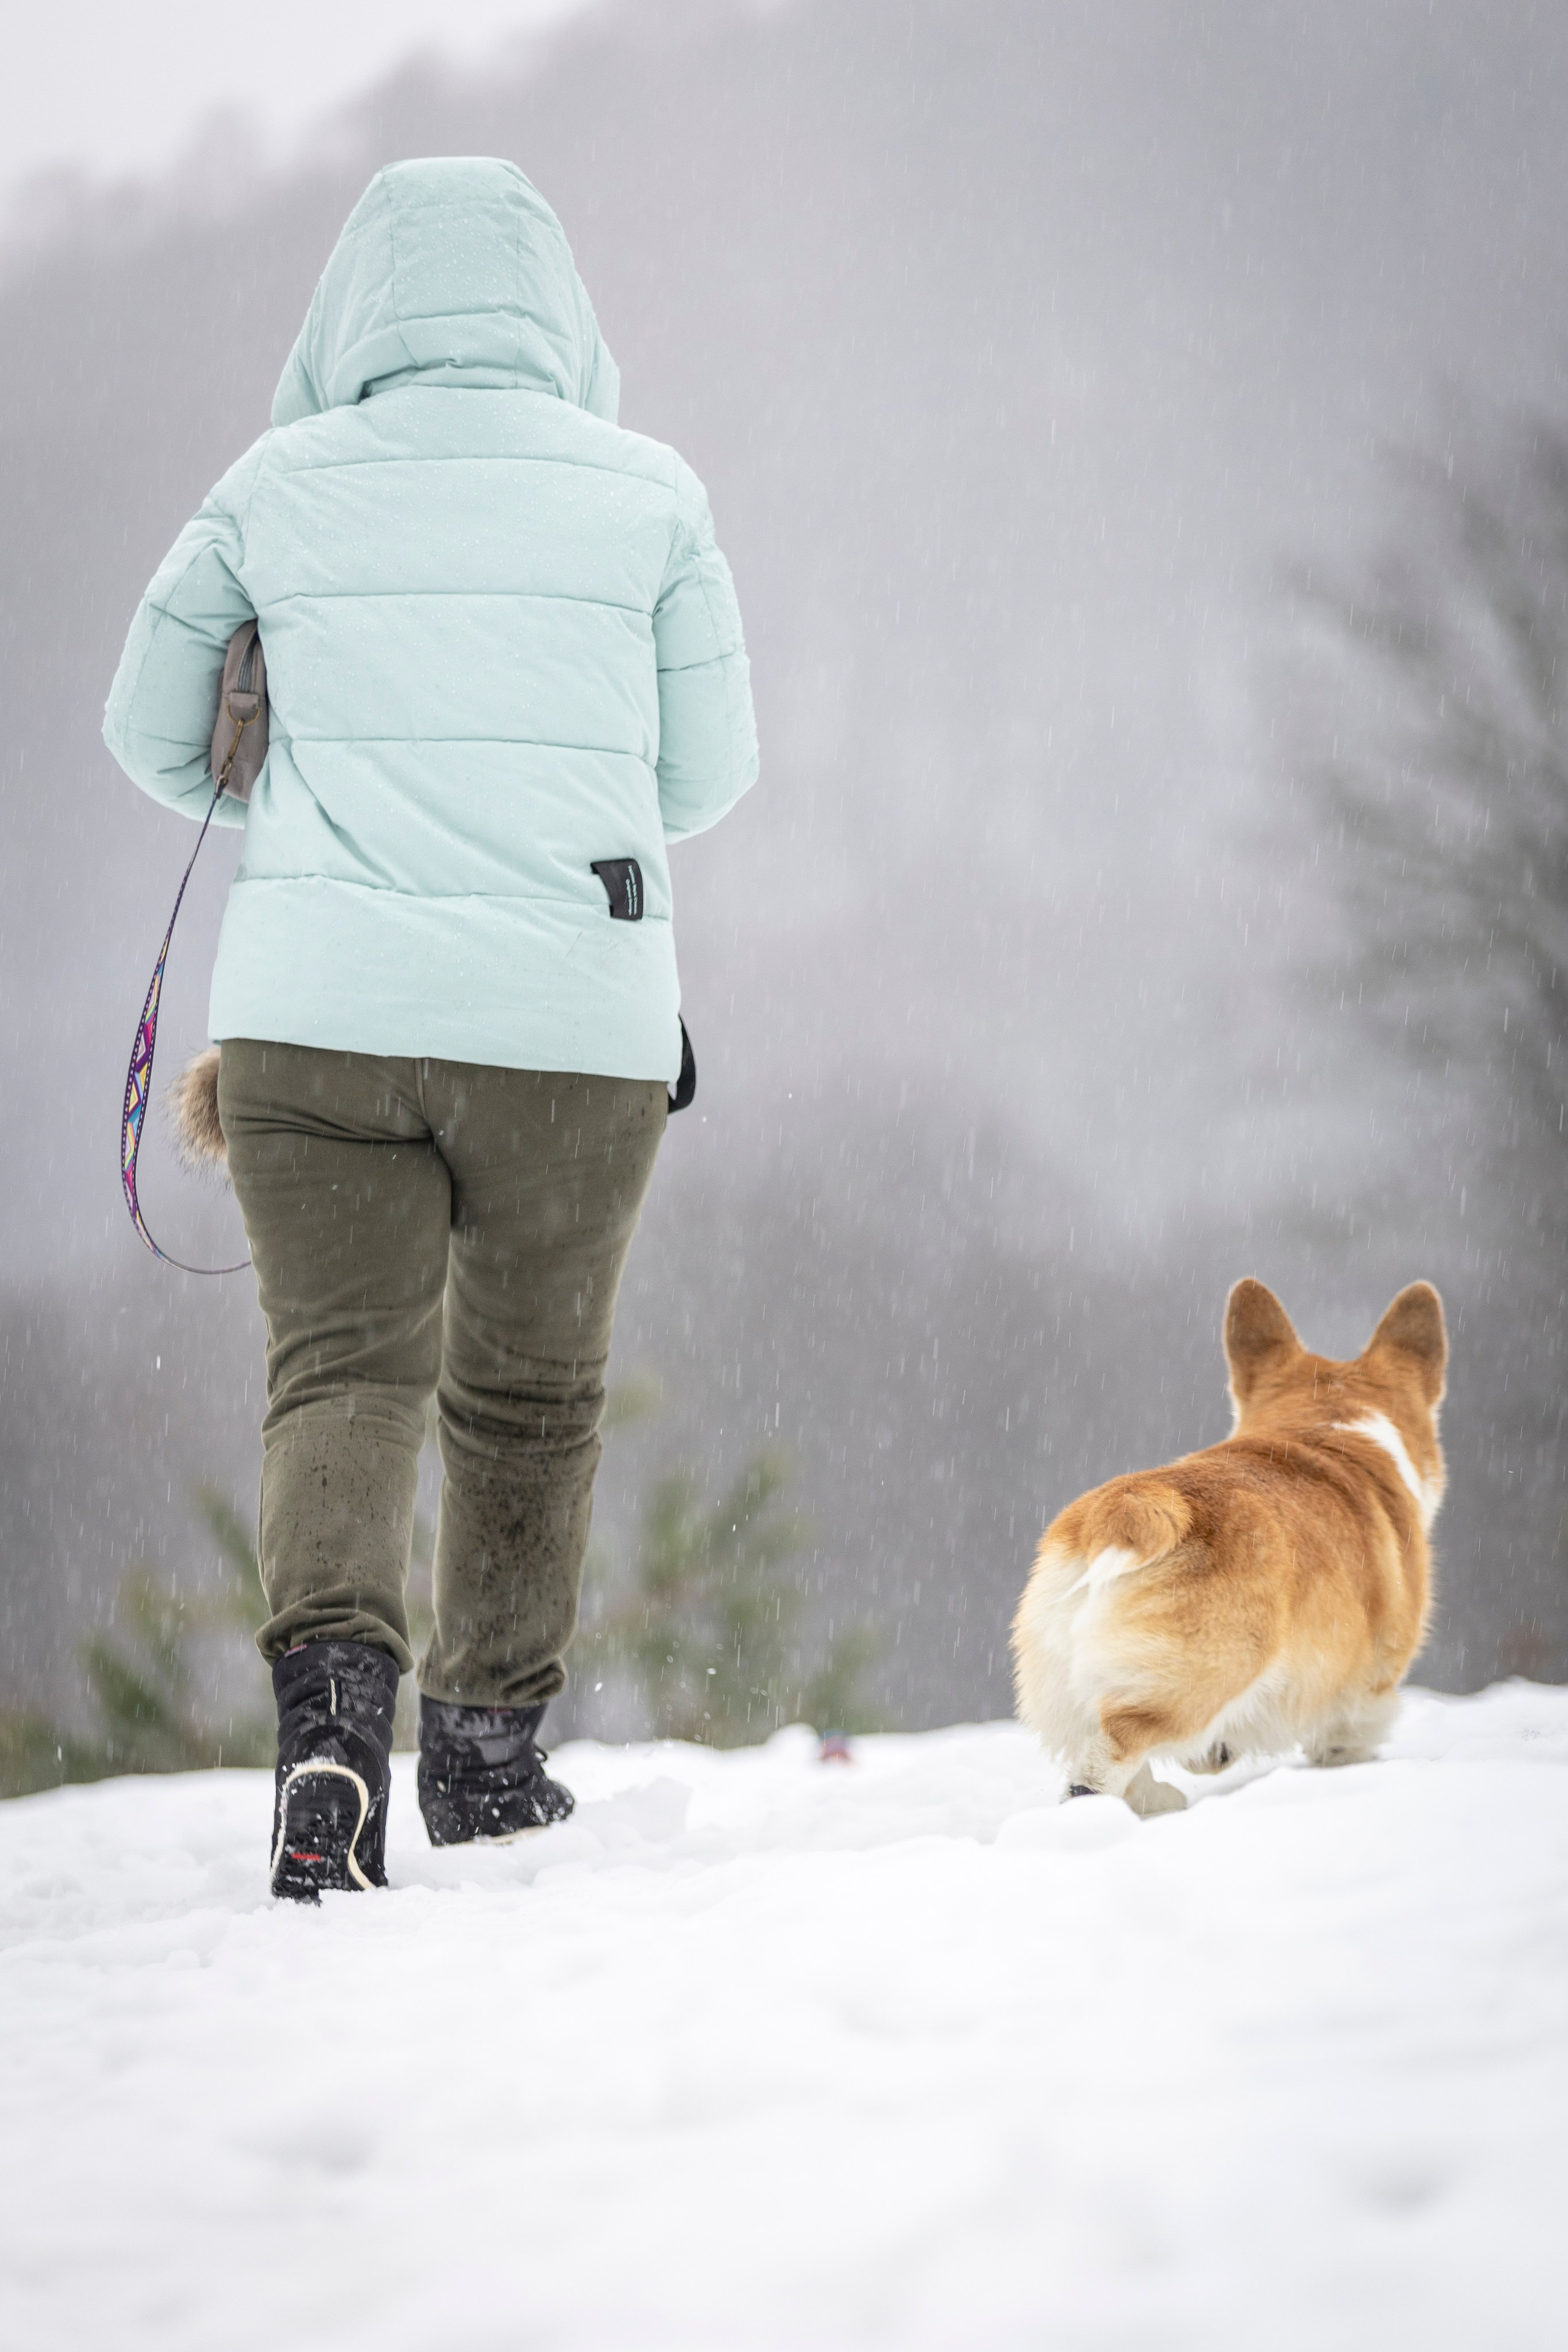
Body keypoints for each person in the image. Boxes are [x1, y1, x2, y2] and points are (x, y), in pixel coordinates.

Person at [103, 157, 758, 1901]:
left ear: (352, 315)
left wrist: (314, 802)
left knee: (342, 1377)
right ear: (559, 309)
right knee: (529, 1395)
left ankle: (331, 1735)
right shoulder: (652, 498)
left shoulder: (274, 490)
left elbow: (150, 735)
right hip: (569, 1026)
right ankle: (482, 1750)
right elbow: (710, 776)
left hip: (317, 1031)